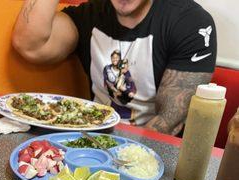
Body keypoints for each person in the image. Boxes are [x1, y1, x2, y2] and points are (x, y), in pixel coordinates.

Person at [12, 0, 217, 135]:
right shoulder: (89, 15)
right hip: (91, 142)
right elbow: (29, 46)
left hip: (152, 155)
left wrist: (116, 156)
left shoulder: (190, 22)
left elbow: (169, 122)